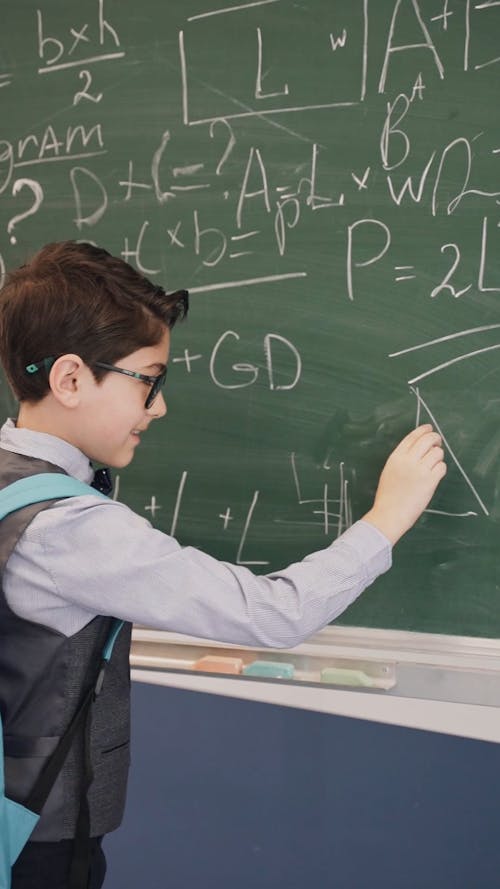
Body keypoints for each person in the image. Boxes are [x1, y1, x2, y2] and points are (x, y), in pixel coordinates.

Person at [0, 241, 446, 889]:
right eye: (149, 381)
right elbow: (275, 612)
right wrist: (387, 518)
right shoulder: (72, 531)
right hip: (40, 843)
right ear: (69, 379)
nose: (159, 407)